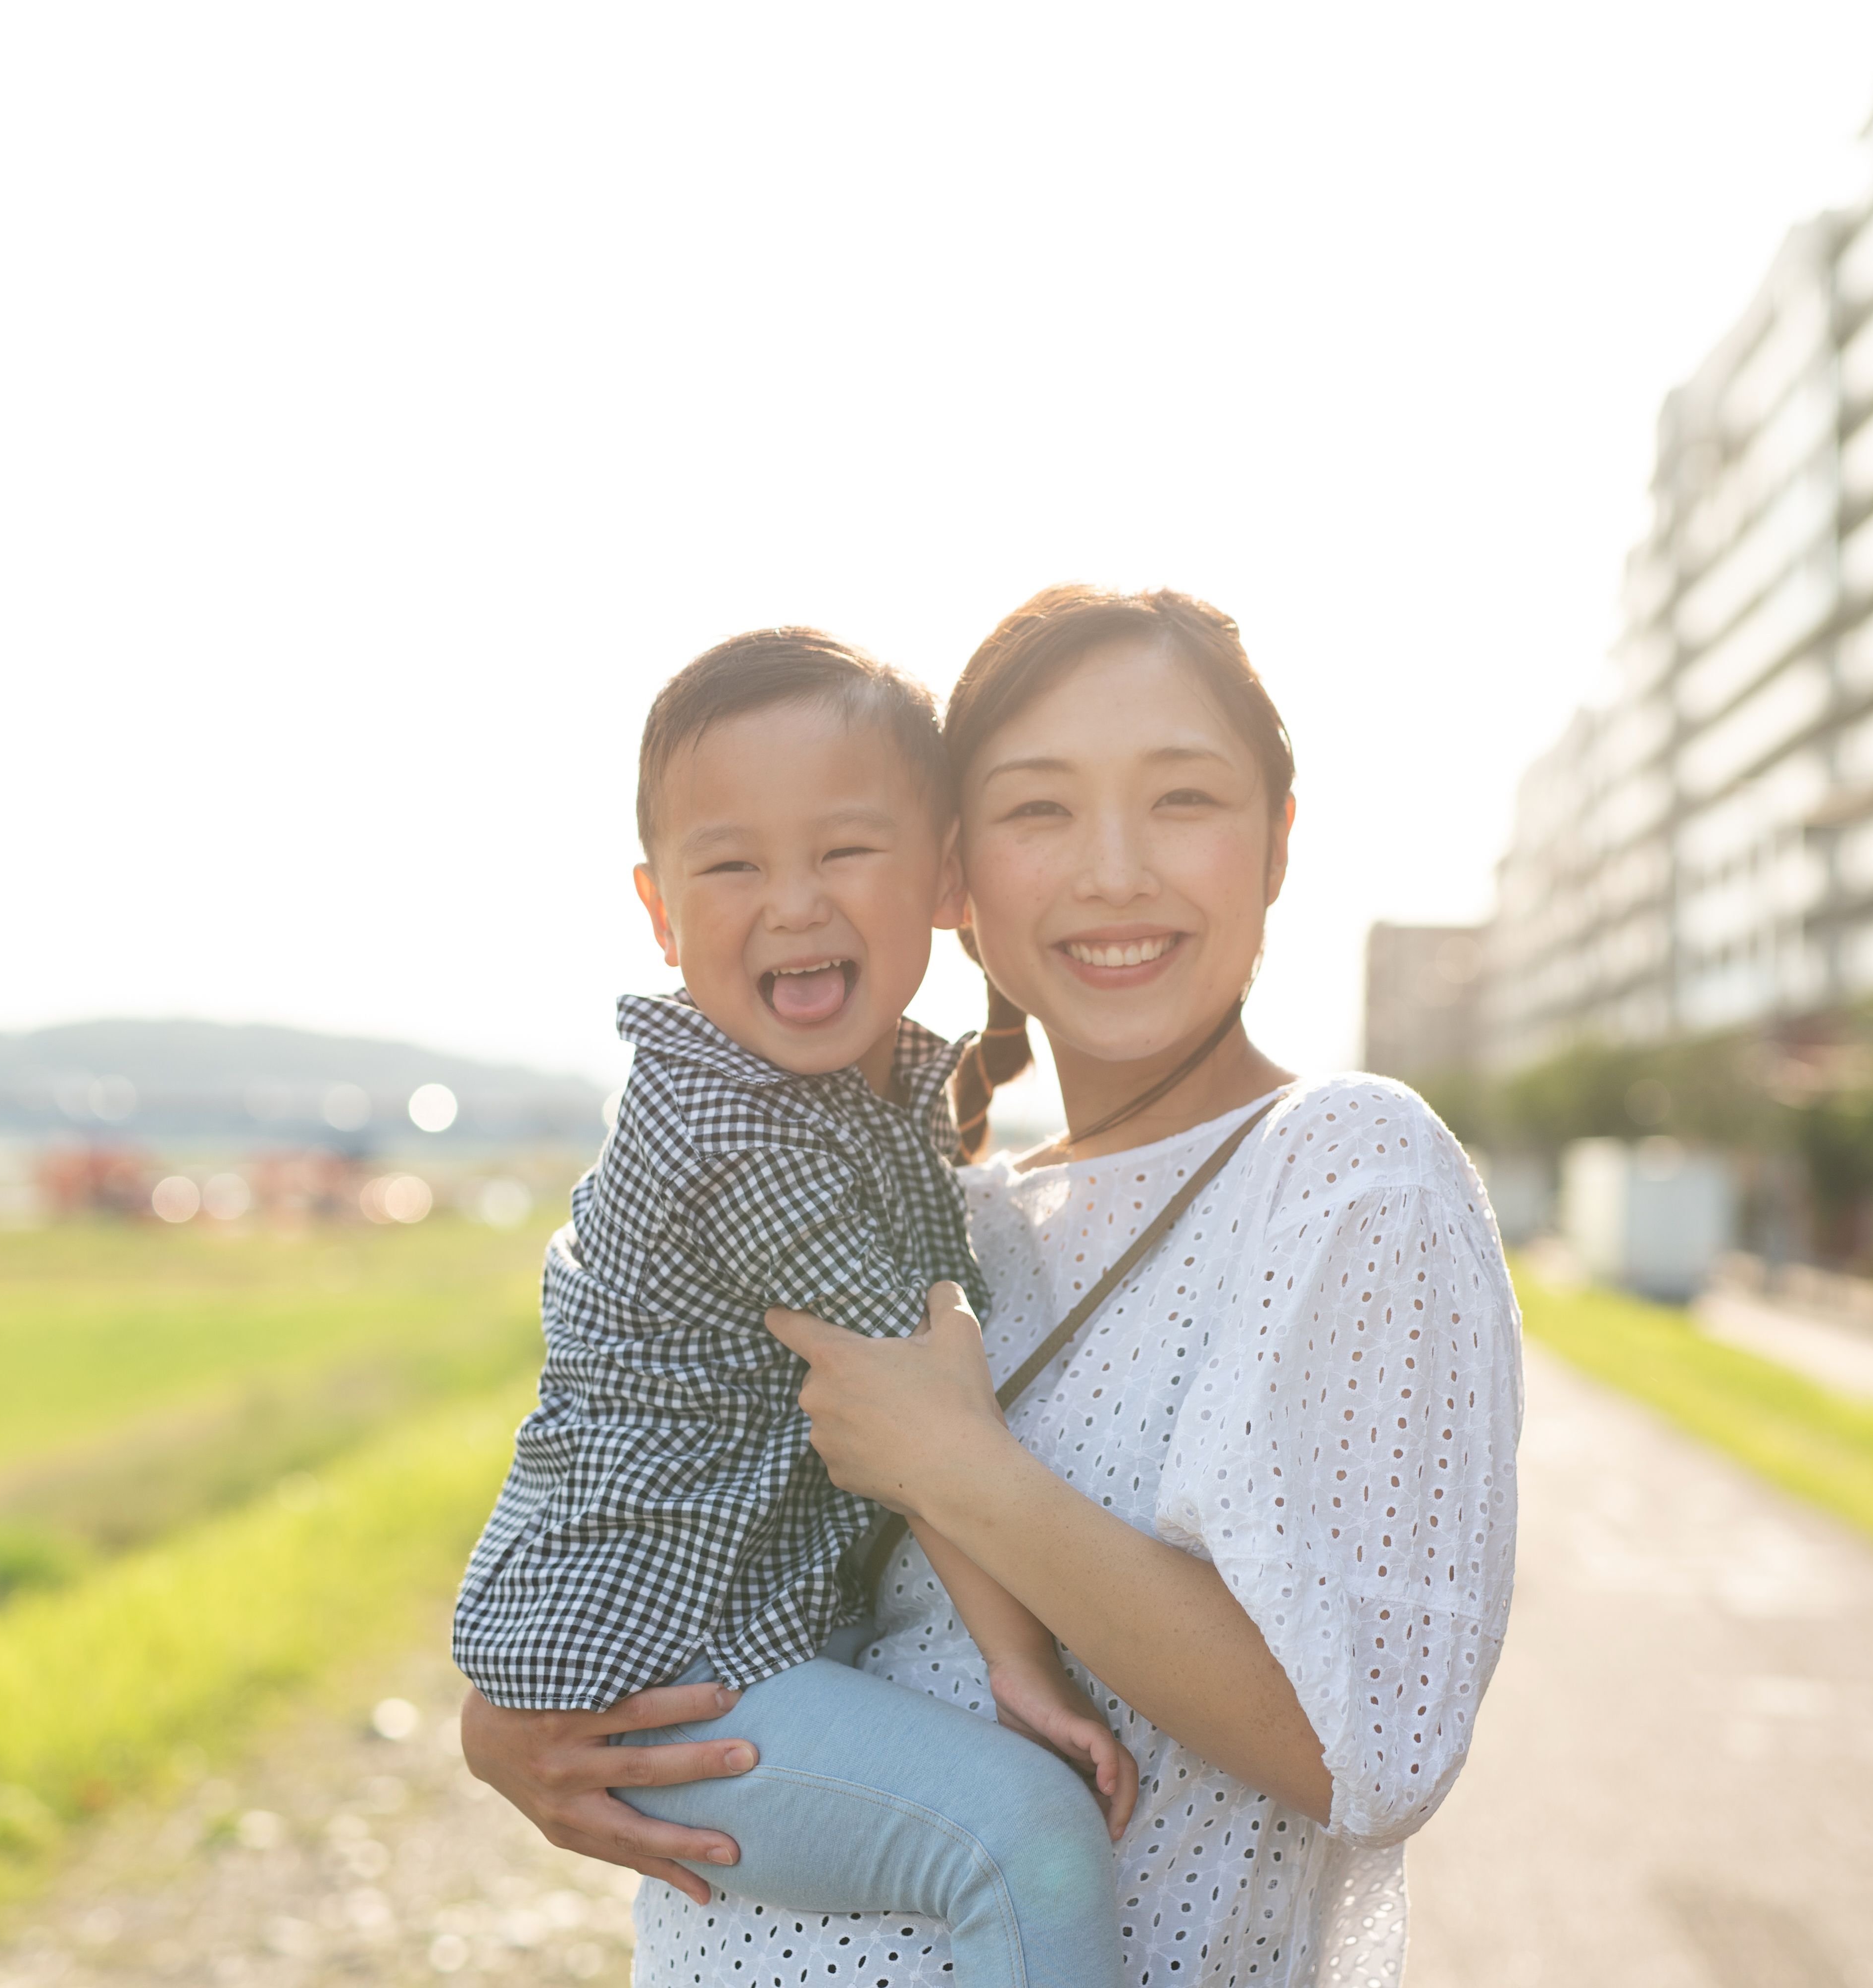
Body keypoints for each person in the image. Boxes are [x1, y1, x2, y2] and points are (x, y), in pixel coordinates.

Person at [462, 587, 1523, 1988]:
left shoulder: (1346, 1168)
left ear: (1278, 841)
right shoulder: (956, 1206)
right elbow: (622, 1422)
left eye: (1183, 799)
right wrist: (509, 1722)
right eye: (1041, 810)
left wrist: (962, 1470)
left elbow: (1370, 1750)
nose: (1114, 872)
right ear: (960, 879)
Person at [450, 628, 1135, 1988]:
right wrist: (1025, 1671)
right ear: (658, 910)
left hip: (715, 1635)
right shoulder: (738, 1135)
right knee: (1027, 1836)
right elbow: (919, 1423)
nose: (795, 903)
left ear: (945, 876)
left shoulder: (857, 1101)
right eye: (733, 865)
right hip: (672, 1671)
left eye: (845, 849)